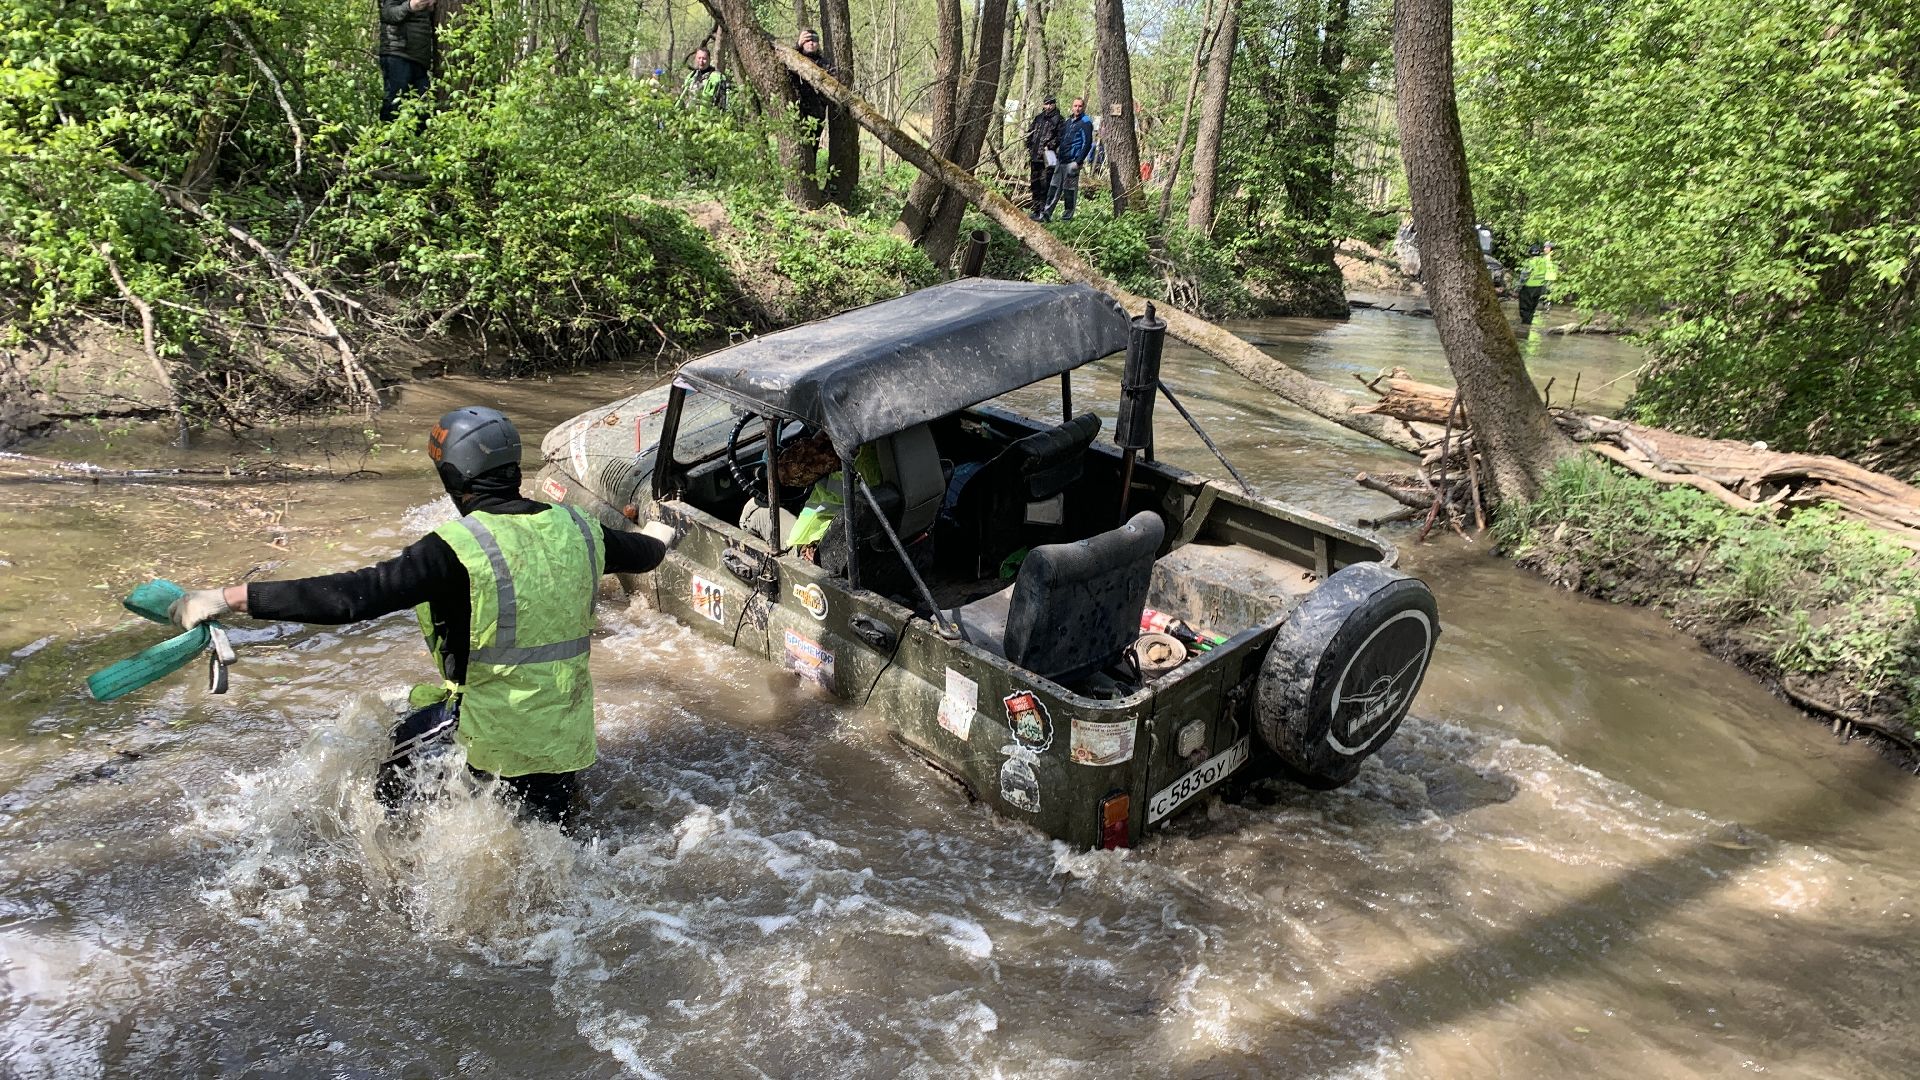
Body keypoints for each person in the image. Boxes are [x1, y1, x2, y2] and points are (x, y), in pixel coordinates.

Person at [166, 407, 678, 825]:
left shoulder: (458, 547)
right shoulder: (578, 528)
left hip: (489, 734)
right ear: (513, 469)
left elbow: (353, 597)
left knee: (385, 791)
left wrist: (229, 597)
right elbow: (645, 554)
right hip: (566, 736)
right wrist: (660, 532)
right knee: (551, 840)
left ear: (452, 478)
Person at [1036, 98, 1094, 222]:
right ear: (1072, 107)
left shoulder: (1086, 122)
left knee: (1069, 191)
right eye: (1075, 106)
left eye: (1079, 106)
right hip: (1061, 160)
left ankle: (1066, 218)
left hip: (1072, 162)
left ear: (1083, 107)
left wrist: (1078, 161)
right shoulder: (1068, 122)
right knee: (1053, 187)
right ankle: (1046, 214)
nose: (1077, 108)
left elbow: (1087, 143)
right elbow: (1061, 139)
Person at [378, 0, 437, 123]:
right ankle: (388, 141)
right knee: (395, 105)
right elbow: (388, 13)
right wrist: (410, 6)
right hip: (397, 54)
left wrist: (430, 9)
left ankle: (416, 141)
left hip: (420, 59)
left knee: (423, 111)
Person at [791, 29, 831, 178]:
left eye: (814, 40)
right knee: (797, 150)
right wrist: (797, 45)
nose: (811, 43)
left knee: (812, 150)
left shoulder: (824, 63)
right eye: (807, 40)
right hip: (797, 112)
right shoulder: (795, 57)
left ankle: (810, 180)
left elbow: (833, 83)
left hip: (816, 115)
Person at [1023, 98, 1064, 213]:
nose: (1049, 106)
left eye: (1051, 103)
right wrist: (1029, 146)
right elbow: (1030, 132)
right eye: (1046, 103)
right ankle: (1036, 209)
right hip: (1035, 156)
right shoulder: (1038, 118)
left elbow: (1060, 136)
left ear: (1054, 104)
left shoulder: (1058, 119)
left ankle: (1043, 210)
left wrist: (1050, 145)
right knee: (1034, 183)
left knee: (1045, 184)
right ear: (1043, 105)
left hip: (1047, 157)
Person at [1517, 242, 1559, 326]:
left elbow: (1524, 276)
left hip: (1528, 287)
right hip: (1539, 288)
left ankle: (1524, 326)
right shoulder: (1544, 261)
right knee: (1532, 308)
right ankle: (1529, 323)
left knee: (1525, 308)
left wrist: (1518, 287)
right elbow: (1550, 274)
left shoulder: (1529, 262)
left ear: (1530, 253)